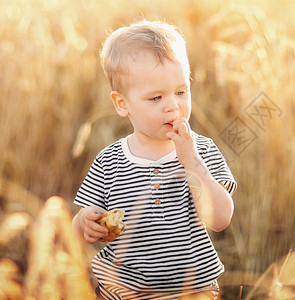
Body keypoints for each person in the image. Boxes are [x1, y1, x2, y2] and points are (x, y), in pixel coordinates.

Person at [72, 20, 237, 299]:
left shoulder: (202, 151)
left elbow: (220, 219)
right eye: (156, 97)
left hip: (192, 290)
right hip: (122, 291)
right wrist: (83, 224)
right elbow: (80, 230)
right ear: (122, 103)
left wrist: (191, 163)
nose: (173, 105)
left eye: (181, 91)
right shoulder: (109, 162)